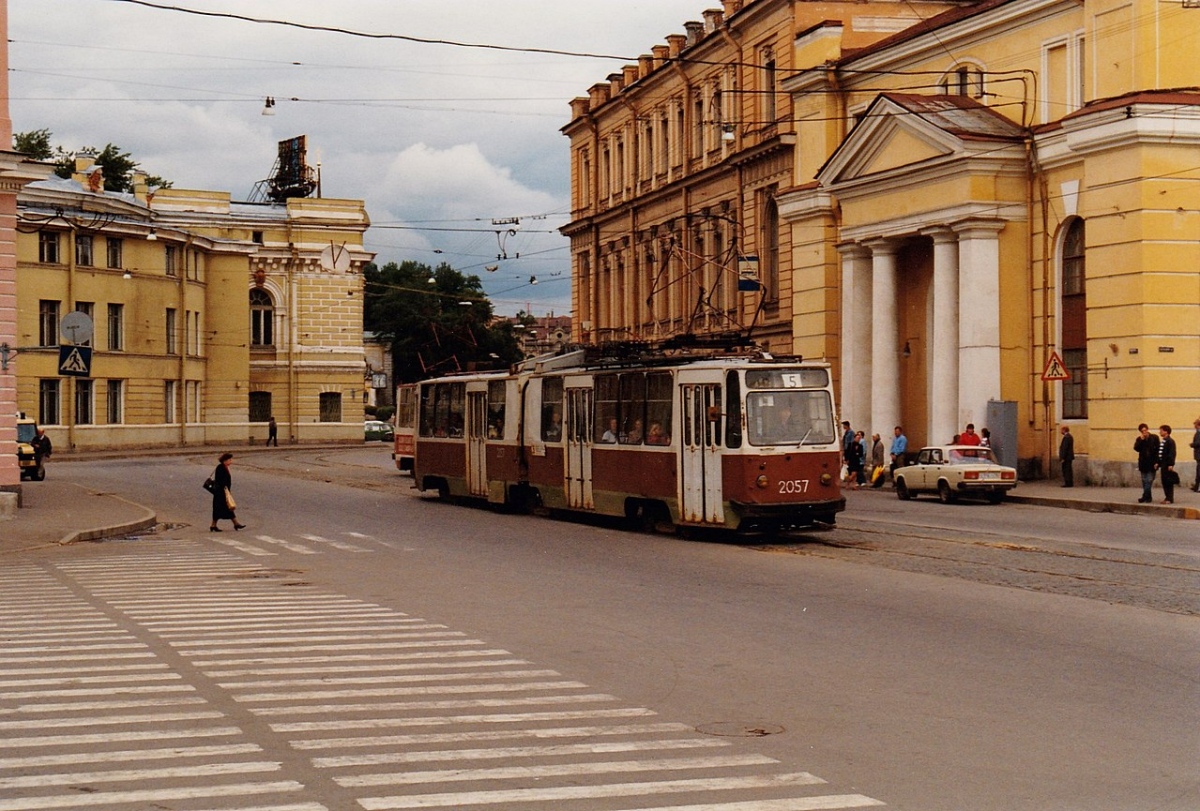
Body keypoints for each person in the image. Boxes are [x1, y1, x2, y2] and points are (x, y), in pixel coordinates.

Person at [209, 452, 246, 532]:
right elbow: (220, 480)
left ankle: (213, 525)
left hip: (222, 492)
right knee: (227, 508)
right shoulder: (220, 468)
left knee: (220, 509)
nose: (231, 461)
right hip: (221, 493)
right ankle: (235, 524)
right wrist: (225, 489)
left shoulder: (224, 467)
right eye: (229, 460)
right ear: (225, 460)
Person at [1133, 423, 1159, 504]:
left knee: (1149, 480)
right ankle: (1148, 497)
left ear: (1147, 429)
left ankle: (1144, 496)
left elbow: (1158, 450)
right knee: (1144, 480)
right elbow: (1136, 448)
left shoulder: (1154, 437)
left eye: (1145, 430)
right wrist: (1141, 440)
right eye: (1142, 431)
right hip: (1143, 463)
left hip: (1152, 462)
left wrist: (1157, 462)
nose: (1144, 432)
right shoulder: (1139, 439)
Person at [1156, 424, 1177, 504]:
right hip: (1163, 464)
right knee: (1164, 481)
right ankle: (1167, 497)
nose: (1160, 432)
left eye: (1161, 430)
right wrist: (1158, 463)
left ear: (1166, 431)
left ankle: (1169, 498)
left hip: (1167, 465)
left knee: (1168, 482)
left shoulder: (1170, 441)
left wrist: (1171, 464)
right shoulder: (1164, 441)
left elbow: (1172, 453)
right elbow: (1160, 454)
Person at [1190, 417, 1200, 493]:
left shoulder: (1198, 433)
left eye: (1195, 424)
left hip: (1199, 455)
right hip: (1198, 455)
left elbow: (1198, 443)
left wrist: (1192, 444)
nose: (1194, 426)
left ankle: (1197, 487)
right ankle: (1196, 486)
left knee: (1199, 471)